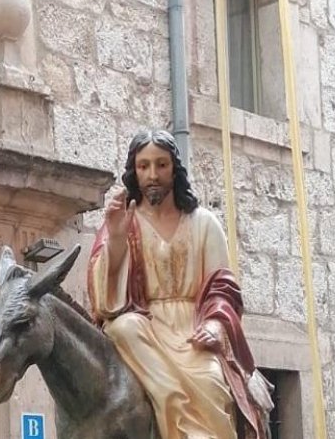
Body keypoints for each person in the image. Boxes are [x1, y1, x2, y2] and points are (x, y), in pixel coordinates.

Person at [87, 130, 274, 439]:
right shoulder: (123, 222)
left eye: (161, 165)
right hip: (145, 327)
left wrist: (215, 324)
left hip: (192, 328)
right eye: (144, 166)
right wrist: (117, 239)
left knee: (211, 382)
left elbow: (223, 287)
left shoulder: (203, 223)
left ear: (175, 169)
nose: (153, 175)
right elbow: (104, 300)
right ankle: (174, 408)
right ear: (134, 171)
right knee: (122, 327)